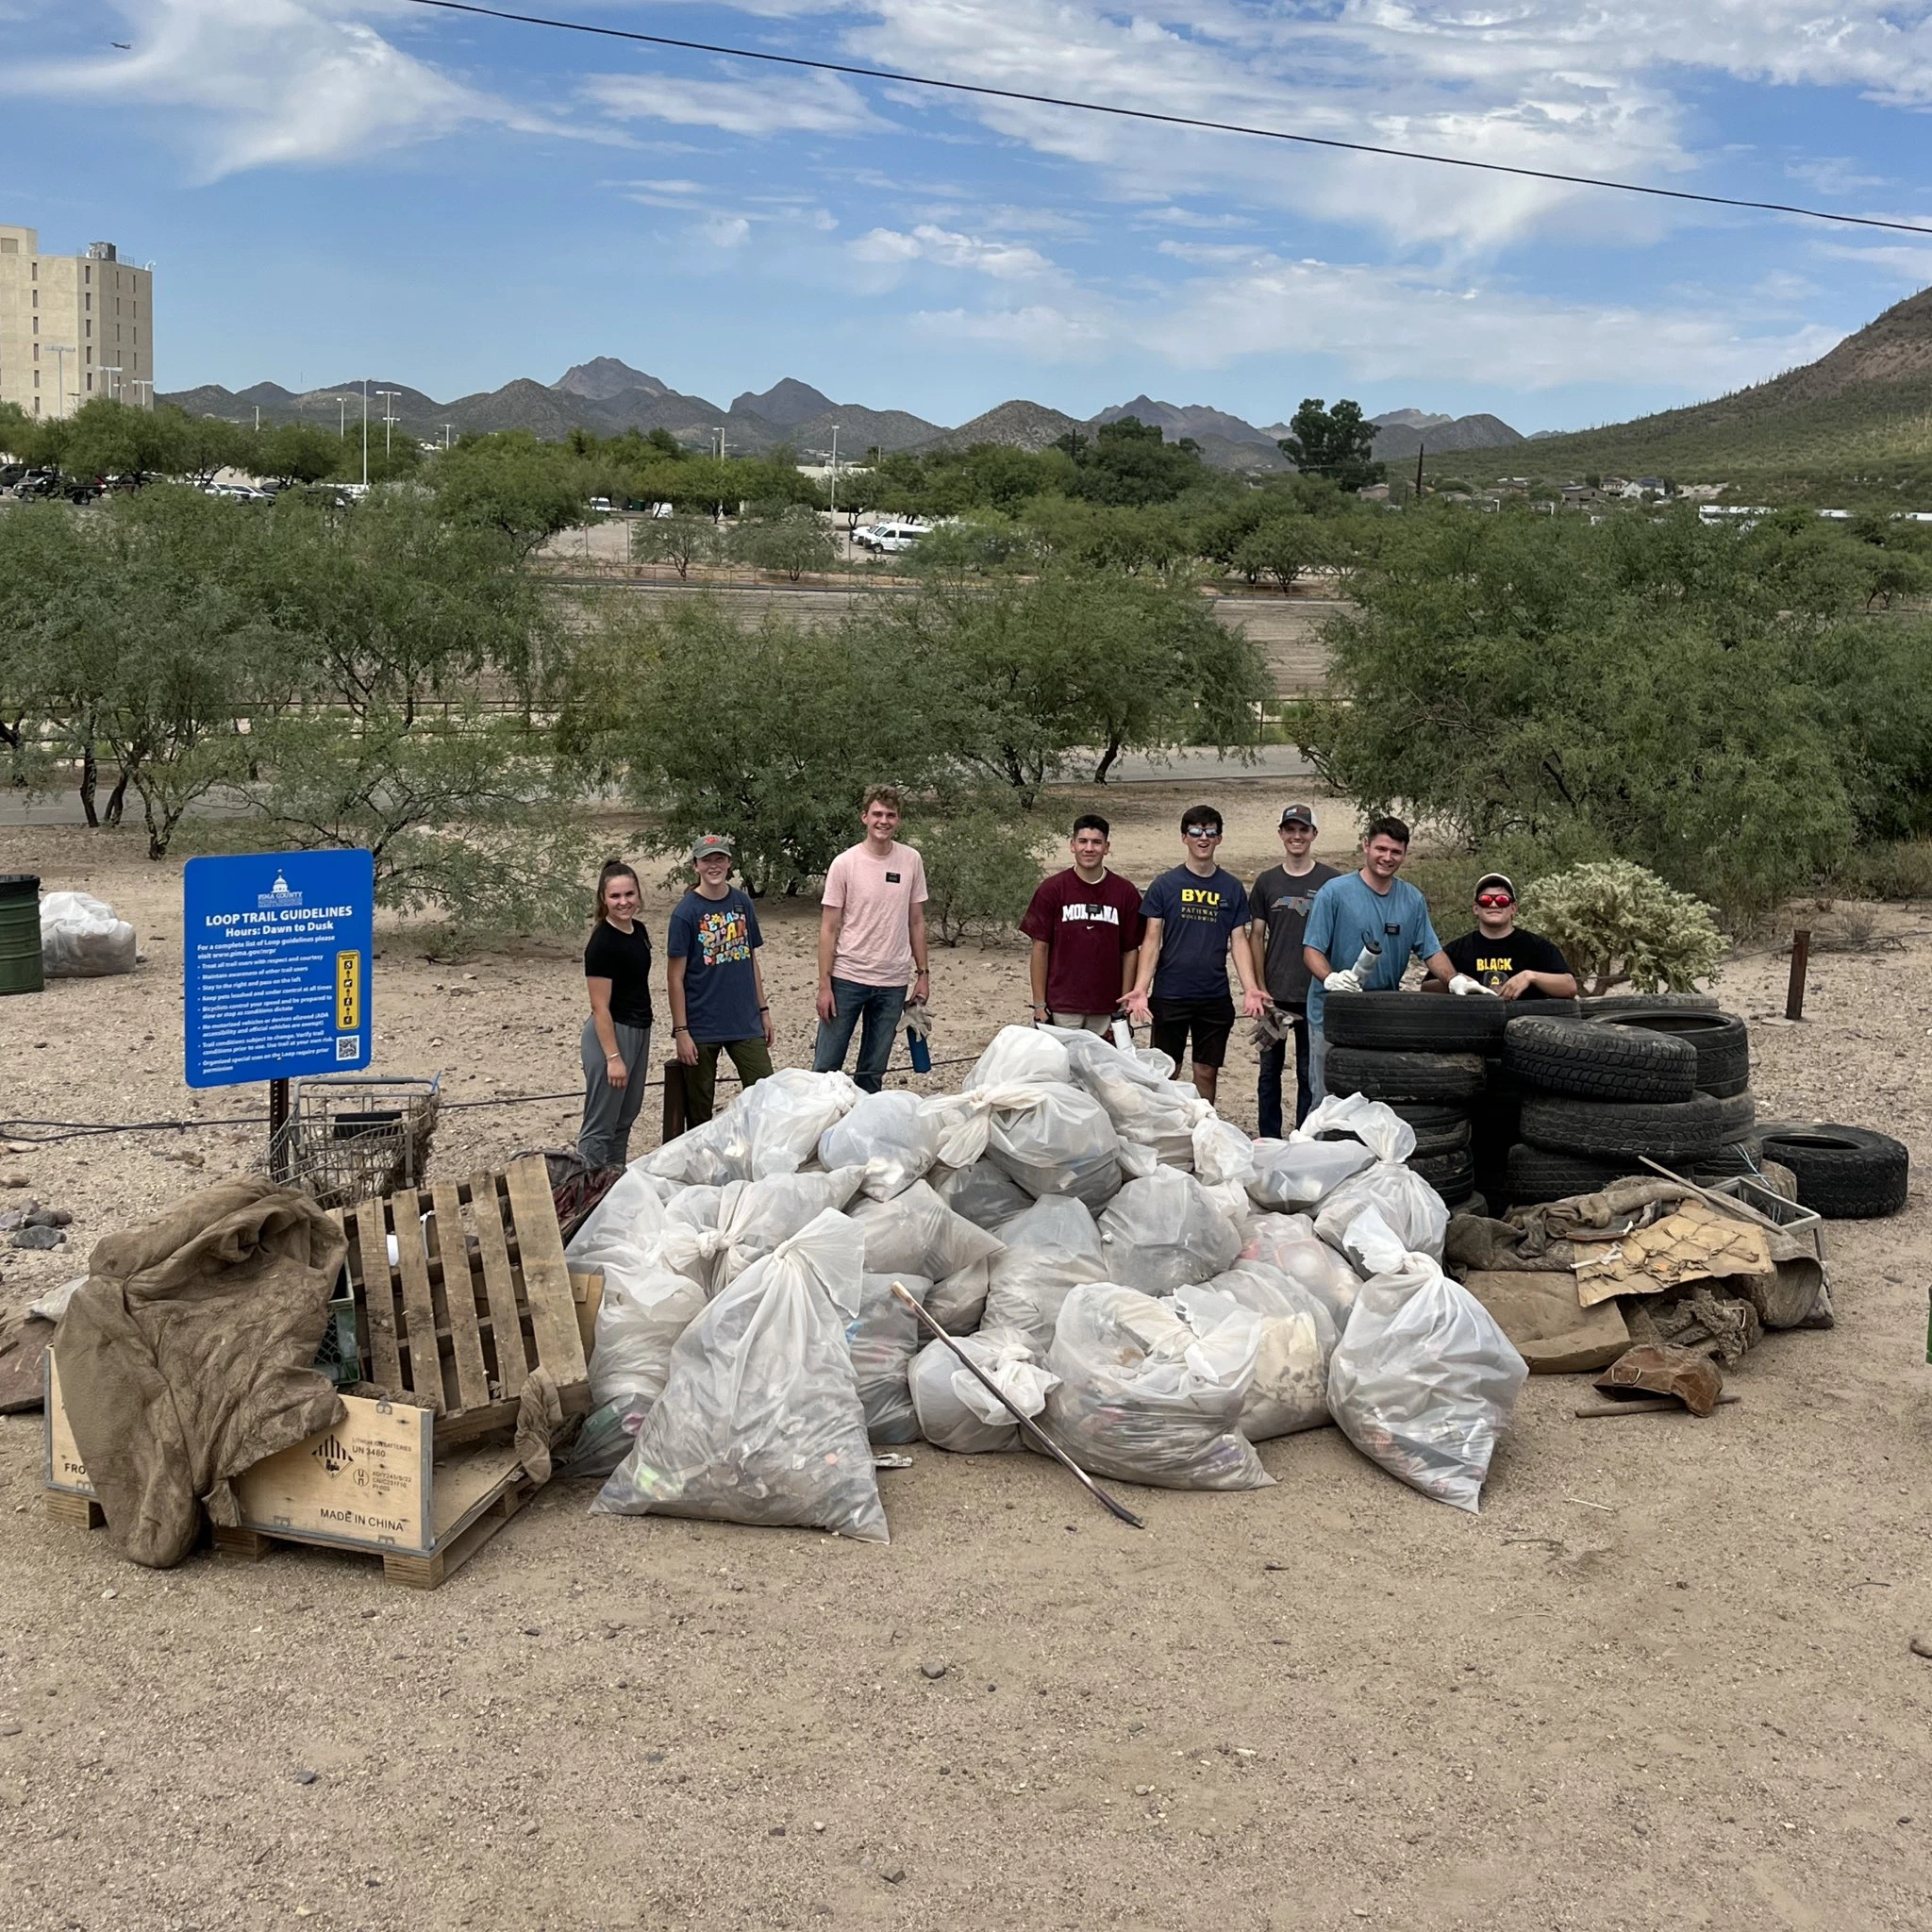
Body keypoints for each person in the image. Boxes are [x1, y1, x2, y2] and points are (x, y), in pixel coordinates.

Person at [1302, 815, 1479, 1105]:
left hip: (1382, 1015)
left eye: (1395, 852)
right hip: (1332, 1014)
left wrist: (1454, 979)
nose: (1387, 857)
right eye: (1381, 849)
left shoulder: (1412, 899)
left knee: (1376, 1099)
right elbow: (1311, 950)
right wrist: (1330, 978)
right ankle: (1320, 1147)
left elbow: (1431, 951)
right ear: (1366, 846)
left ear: (1404, 854)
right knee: (1327, 1099)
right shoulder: (1334, 893)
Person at [1122, 805, 1268, 1104]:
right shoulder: (1165, 885)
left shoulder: (1231, 887)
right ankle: (1167, 1131)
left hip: (1213, 996)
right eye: (1196, 832)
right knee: (1166, 1070)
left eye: (1210, 832)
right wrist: (1140, 989)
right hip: (1170, 993)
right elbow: (1151, 940)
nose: (1203, 838)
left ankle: (1205, 1130)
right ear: (1184, 837)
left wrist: (1251, 988)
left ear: (1219, 839)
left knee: (1206, 1070)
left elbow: (1239, 940)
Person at [814, 785, 929, 1094]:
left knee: (873, 1070)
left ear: (899, 820)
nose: (883, 820)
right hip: (847, 978)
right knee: (826, 1067)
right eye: (877, 814)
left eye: (890, 815)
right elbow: (828, 928)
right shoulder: (845, 863)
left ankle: (861, 1136)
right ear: (864, 817)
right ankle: (815, 1133)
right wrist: (825, 986)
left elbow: (916, 921)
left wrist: (922, 975)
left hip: (893, 982)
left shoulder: (911, 860)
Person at [666, 834, 776, 1124]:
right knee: (699, 1107)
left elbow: (751, 959)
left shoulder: (742, 903)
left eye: (719, 859)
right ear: (695, 866)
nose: (713, 866)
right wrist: (681, 1030)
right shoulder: (685, 913)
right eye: (706, 860)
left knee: (765, 1093)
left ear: (729, 863)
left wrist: (763, 1010)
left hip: (744, 1019)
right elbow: (675, 977)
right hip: (701, 1024)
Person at [1249, 803, 1342, 1134]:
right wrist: (1260, 990)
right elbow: (1256, 936)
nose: (1297, 836)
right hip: (1275, 996)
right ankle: (1269, 1139)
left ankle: (1304, 1138)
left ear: (1314, 834)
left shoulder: (1332, 881)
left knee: (1309, 1073)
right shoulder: (1266, 882)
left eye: (1303, 830)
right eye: (1290, 829)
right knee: (1269, 1073)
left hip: (1316, 994)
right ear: (1281, 834)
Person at [1019, 813, 1143, 1033]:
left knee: (1103, 1067)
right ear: (1072, 845)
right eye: (1083, 841)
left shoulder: (1125, 893)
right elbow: (1040, 948)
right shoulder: (1052, 890)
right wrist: (1039, 1004)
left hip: (1107, 1006)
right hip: (1062, 1005)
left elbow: (1131, 951)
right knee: (1060, 1067)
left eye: (1096, 842)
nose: (1089, 848)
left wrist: (1123, 1005)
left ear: (1106, 847)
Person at [578, 858, 653, 1169]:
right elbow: (599, 1007)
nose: (623, 902)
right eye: (615, 896)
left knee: (624, 1118)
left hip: (639, 1028)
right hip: (611, 1033)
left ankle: (612, 1184)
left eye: (629, 895)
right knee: (600, 1124)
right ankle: (585, 1193)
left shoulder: (639, 931)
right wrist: (613, 1058)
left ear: (637, 895)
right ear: (603, 899)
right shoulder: (601, 943)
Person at [1437, 872, 1579, 999]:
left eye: (1502, 900)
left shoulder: (1538, 947)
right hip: (1473, 1024)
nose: (1493, 905)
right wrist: (1455, 980)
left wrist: (1530, 976)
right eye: (1485, 900)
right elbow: (1426, 987)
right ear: (1475, 909)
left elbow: (1569, 986)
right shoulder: (1456, 949)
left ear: (1513, 908)